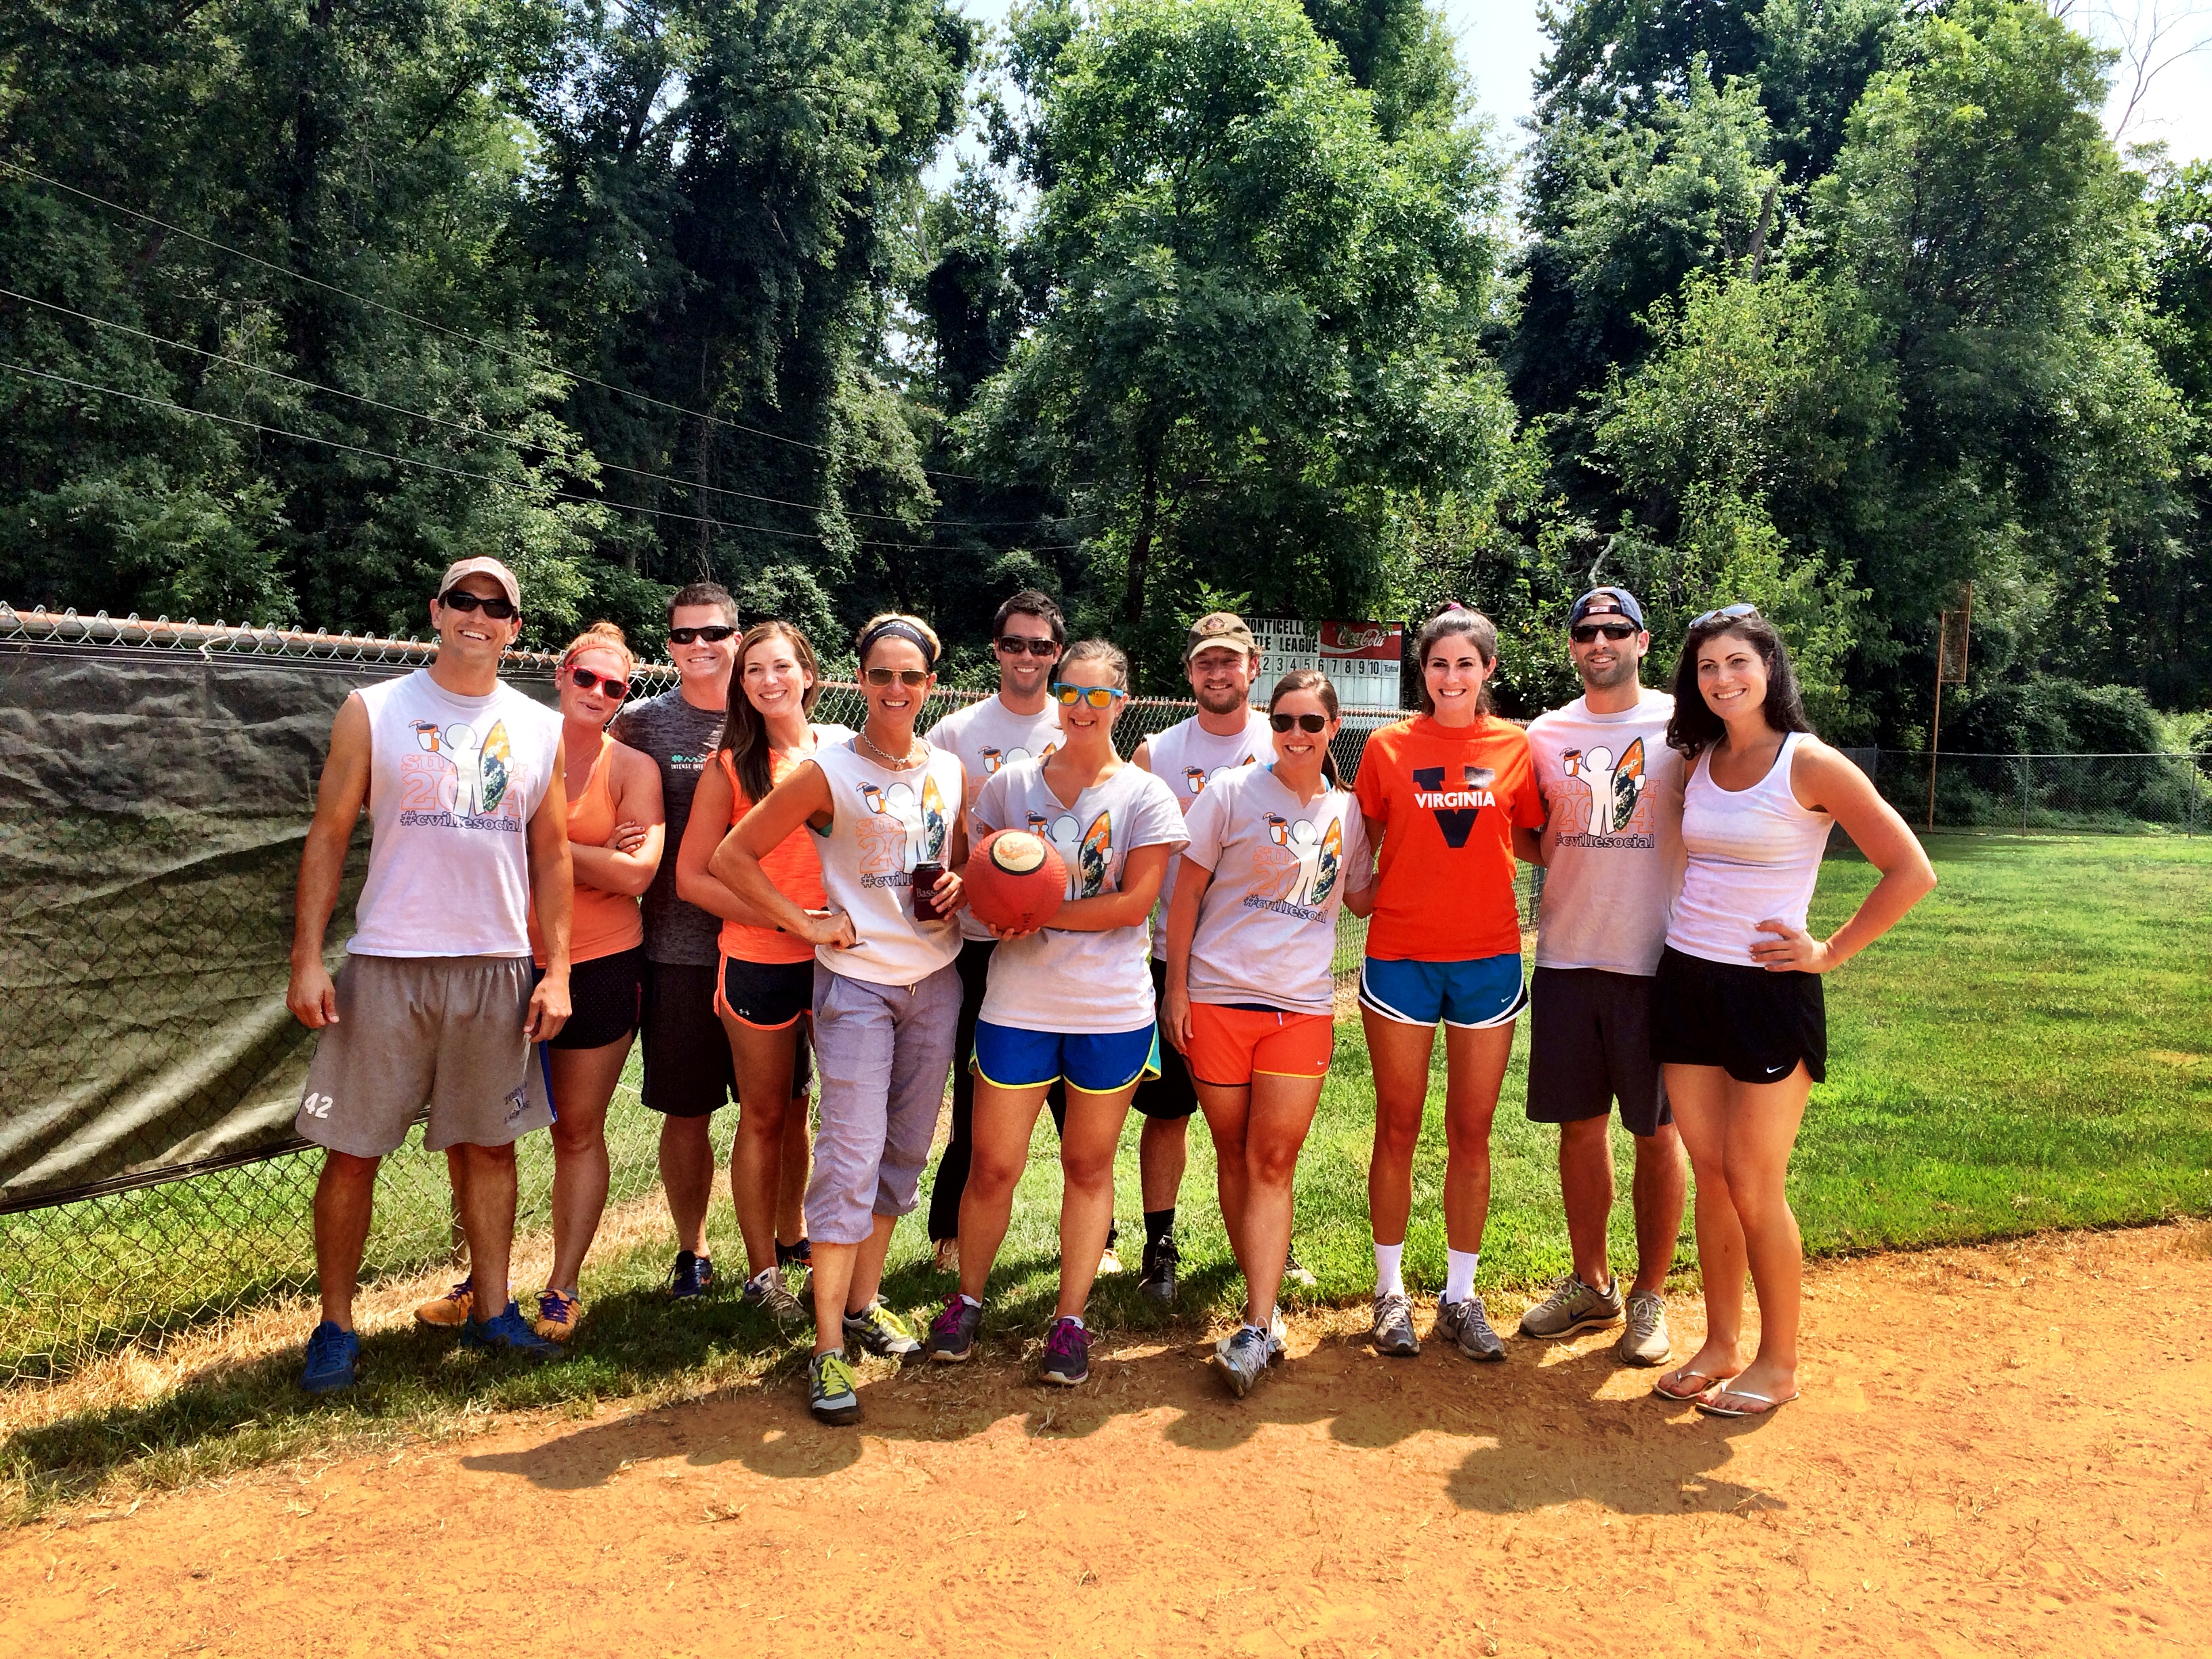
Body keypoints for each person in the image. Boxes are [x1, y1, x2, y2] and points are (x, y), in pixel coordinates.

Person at [285, 556, 571, 1392]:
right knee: (352, 1152)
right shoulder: (374, 710)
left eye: (496, 607)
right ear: (437, 611)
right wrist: (307, 958)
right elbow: (329, 833)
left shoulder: (539, 726)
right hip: (388, 962)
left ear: (515, 629)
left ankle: (493, 1312)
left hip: (495, 965)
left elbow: (553, 854)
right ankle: (336, 1328)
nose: (477, 616)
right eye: (462, 601)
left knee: (490, 1147)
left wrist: (556, 969)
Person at [1649, 605, 1933, 1418]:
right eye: (1707, 667)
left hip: (1769, 993)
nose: (1723, 678)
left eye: (1737, 662)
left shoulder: (1810, 763)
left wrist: (1828, 951)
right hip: (1689, 980)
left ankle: (1779, 1364)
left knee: (1754, 1180)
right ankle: (1721, 1344)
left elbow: (1910, 869)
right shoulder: (1699, 759)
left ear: (1769, 667)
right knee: (1712, 1173)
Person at [712, 613, 967, 1425]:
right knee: (849, 1155)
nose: (896, 688)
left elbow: (956, 859)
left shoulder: (949, 768)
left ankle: (862, 1304)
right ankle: (826, 1348)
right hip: (857, 987)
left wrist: (958, 884)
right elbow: (731, 857)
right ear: (858, 680)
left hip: (935, 982)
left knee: (903, 1152)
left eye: (911, 676)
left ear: (930, 684)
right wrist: (805, 922)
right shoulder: (828, 770)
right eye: (881, 674)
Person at [924, 641, 1187, 1387]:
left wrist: (1039, 913)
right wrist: (990, 904)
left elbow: (1134, 905)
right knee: (992, 1165)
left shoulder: (1145, 795)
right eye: (1071, 693)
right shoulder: (1010, 786)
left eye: (1098, 696)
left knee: (1087, 1165)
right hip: (1018, 1005)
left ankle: (1070, 1320)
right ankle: (967, 1300)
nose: (1081, 708)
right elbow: (981, 876)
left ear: (1122, 702)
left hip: (1110, 1009)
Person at [1163, 670, 1375, 1397]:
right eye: (1284, 721)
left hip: (1300, 1008)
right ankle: (1264, 1296)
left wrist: (1438, 852)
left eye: (1311, 723)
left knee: (1273, 1160)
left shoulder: (1349, 811)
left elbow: (1363, 898)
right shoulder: (1231, 792)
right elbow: (1185, 894)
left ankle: (1257, 1323)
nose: (1296, 735)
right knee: (1235, 1152)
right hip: (1219, 1000)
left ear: (1333, 728)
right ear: (1270, 723)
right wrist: (1177, 990)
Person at [1353, 602, 1547, 1362]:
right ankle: (1389, 1292)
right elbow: (1361, 845)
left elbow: (1530, 839)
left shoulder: (1515, 746)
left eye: (1467, 663)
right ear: (1423, 671)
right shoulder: (1387, 747)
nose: (1452, 676)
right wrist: (1366, 893)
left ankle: (1461, 1298)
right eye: (1439, 663)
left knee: (1471, 1131)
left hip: (1487, 958)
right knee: (1397, 1125)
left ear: (1488, 669)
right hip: (1401, 956)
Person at [613, 584, 807, 1296]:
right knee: (688, 1108)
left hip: (775, 951)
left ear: (736, 638)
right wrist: (611, 830)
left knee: (787, 1106)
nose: (699, 646)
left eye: (714, 633)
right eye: (683, 635)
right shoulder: (641, 724)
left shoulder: (772, 719)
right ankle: (692, 1250)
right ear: (669, 646)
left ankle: (790, 1235)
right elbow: (597, 786)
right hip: (680, 948)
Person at [1514, 588, 1689, 1366]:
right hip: (1567, 958)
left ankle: (1650, 1295)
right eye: (1586, 631)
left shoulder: (1683, 725)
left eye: (1617, 629)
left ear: (1642, 641)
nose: (1600, 641)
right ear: (1573, 645)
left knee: (1657, 1133)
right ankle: (1593, 1284)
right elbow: (1528, 832)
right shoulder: (1546, 734)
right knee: (1580, 1129)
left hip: (1656, 963)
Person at [920, 590, 1109, 1277]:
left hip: (1067, 939)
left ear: (1057, 654)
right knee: (979, 1086)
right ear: (995, 649)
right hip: (983, 939)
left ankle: (1100, 1239)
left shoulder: (1077, 722)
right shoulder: (956, 732)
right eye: (1013, 643)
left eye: (1040, 646)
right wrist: (953, 889)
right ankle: (950, 1232)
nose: (1026, 656)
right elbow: (941, 833)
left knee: (1076, 1096)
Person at [676, 620, 851, 1326]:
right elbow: (692, 877)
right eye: (753, 671)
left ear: (809, 673)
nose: (769, 681)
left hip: (840, 962)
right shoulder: (730, 766)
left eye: (781, 667)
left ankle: (794, 1237)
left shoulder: (844, 750)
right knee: (764, 1115)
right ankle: (762, 1274)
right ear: (741, 686)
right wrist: (791, 921)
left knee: (807, 1111)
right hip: (759, 961)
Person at [1127, 611, 1276, 1302]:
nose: (1218, 673)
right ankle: (1159, 1244)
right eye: (1205, 662)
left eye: (1230, 660)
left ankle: (1270, 1244)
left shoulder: (1285, 738)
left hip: (1258, 964)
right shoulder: (1157, 752)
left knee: (1261, 1122)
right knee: (1168, 1111)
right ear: (1190, 673)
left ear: (1254, 667)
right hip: (1174, 957)